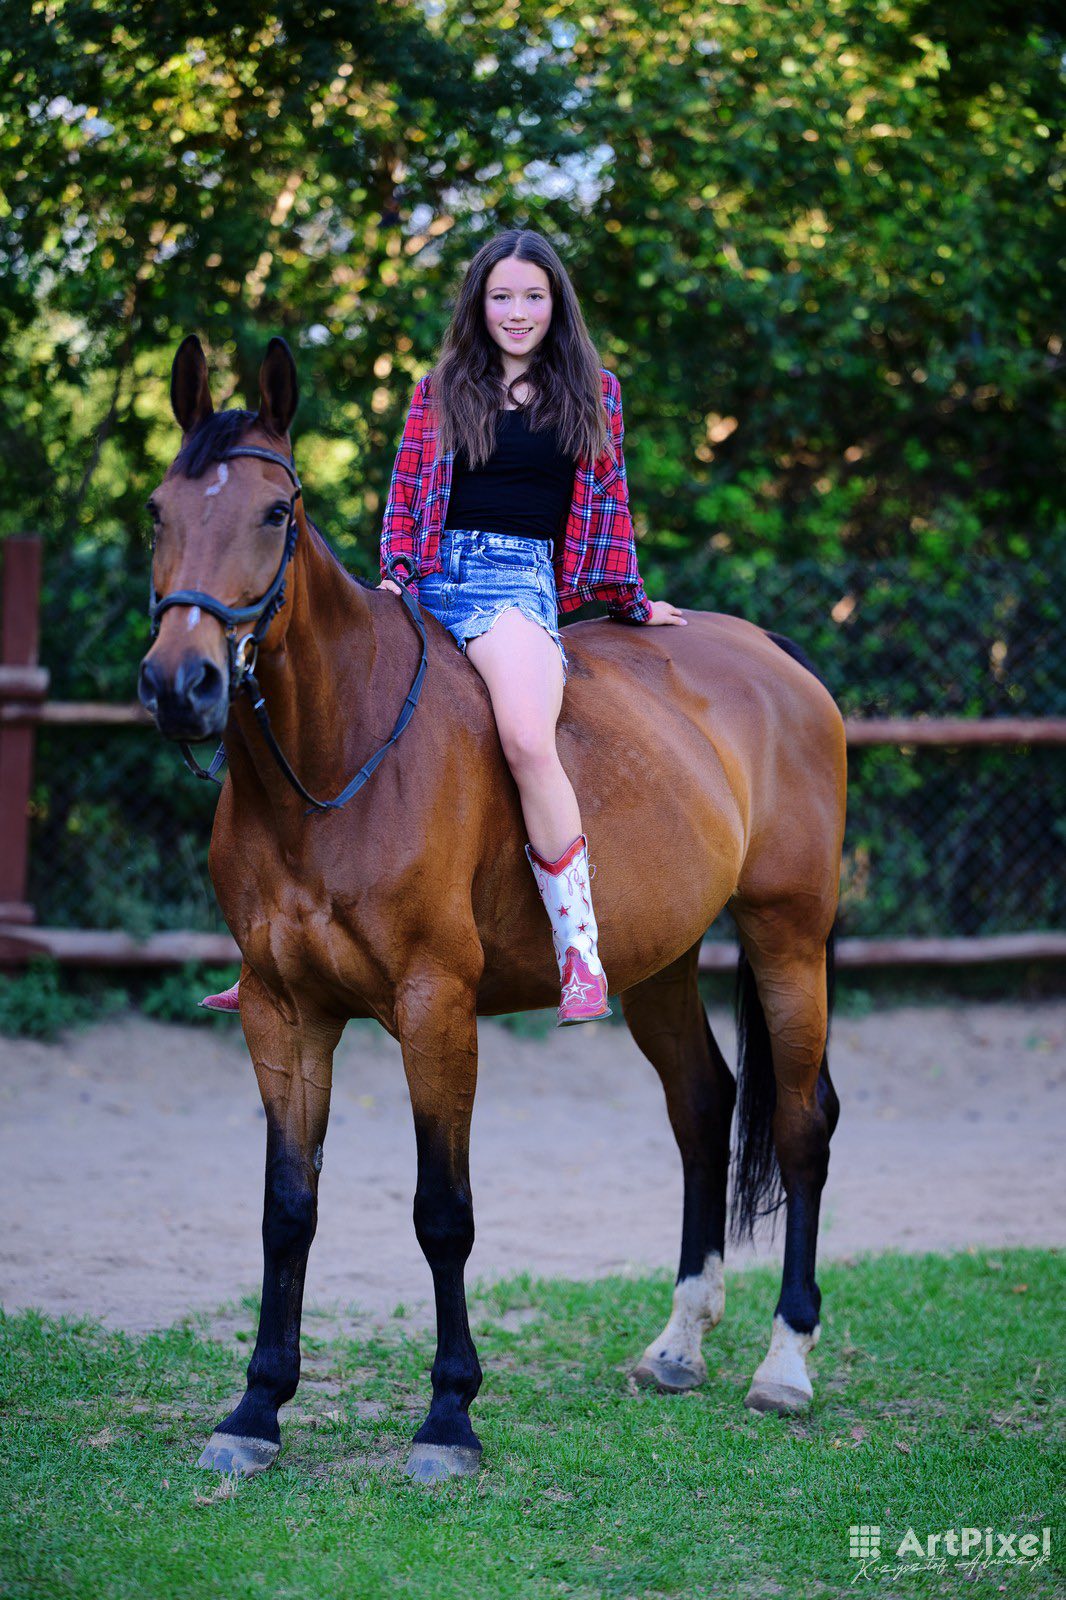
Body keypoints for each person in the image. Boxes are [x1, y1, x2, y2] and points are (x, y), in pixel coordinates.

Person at [201, 227, 686, 1024]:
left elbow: (608, 505)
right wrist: (395, 575)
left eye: (533, 296)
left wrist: (631, 600)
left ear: (556, 304)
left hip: (513, 587)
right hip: (427, 580)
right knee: (301, 716)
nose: (517, 312)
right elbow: (405, 495)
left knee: (526, 740)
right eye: (502, 297)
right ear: (479, 305)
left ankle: (579, 950)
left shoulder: (593, 392)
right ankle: (266, 950)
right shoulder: (441, 389)